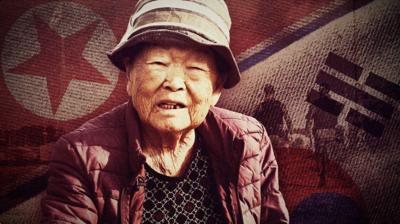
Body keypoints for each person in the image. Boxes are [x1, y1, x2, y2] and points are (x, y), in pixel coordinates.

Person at [41, 1, 289, 223]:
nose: (174, 82)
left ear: (216, 88)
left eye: (195, 68)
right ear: (130, 75)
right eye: (158, 63)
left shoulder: (249, 141)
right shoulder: (81, 154)